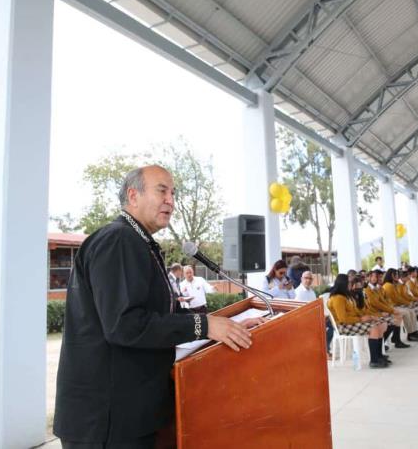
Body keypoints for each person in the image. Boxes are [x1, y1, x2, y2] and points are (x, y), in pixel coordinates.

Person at [54, 165, 263, 448]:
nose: (171, 201)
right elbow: (124, 325)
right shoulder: (119, 239)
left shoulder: (138, 241)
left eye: (173, 193)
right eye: (162, 191)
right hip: (108, 418)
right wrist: (204, 325)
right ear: (133, 195)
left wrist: (222, 326)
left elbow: (163, 317)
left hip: (127, 412)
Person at [327, 274, 389, 368]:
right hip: (343, 326)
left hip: (352, 322)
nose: (351, 285)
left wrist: (370, 316)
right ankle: (374, 361)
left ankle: (379, 356)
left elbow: (356, 311)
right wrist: (360, 319)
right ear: (343, 284)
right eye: (349, 283)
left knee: (380, 324)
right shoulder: (338, 298)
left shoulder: (346, 296)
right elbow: (343, 319)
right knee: (374, 328)